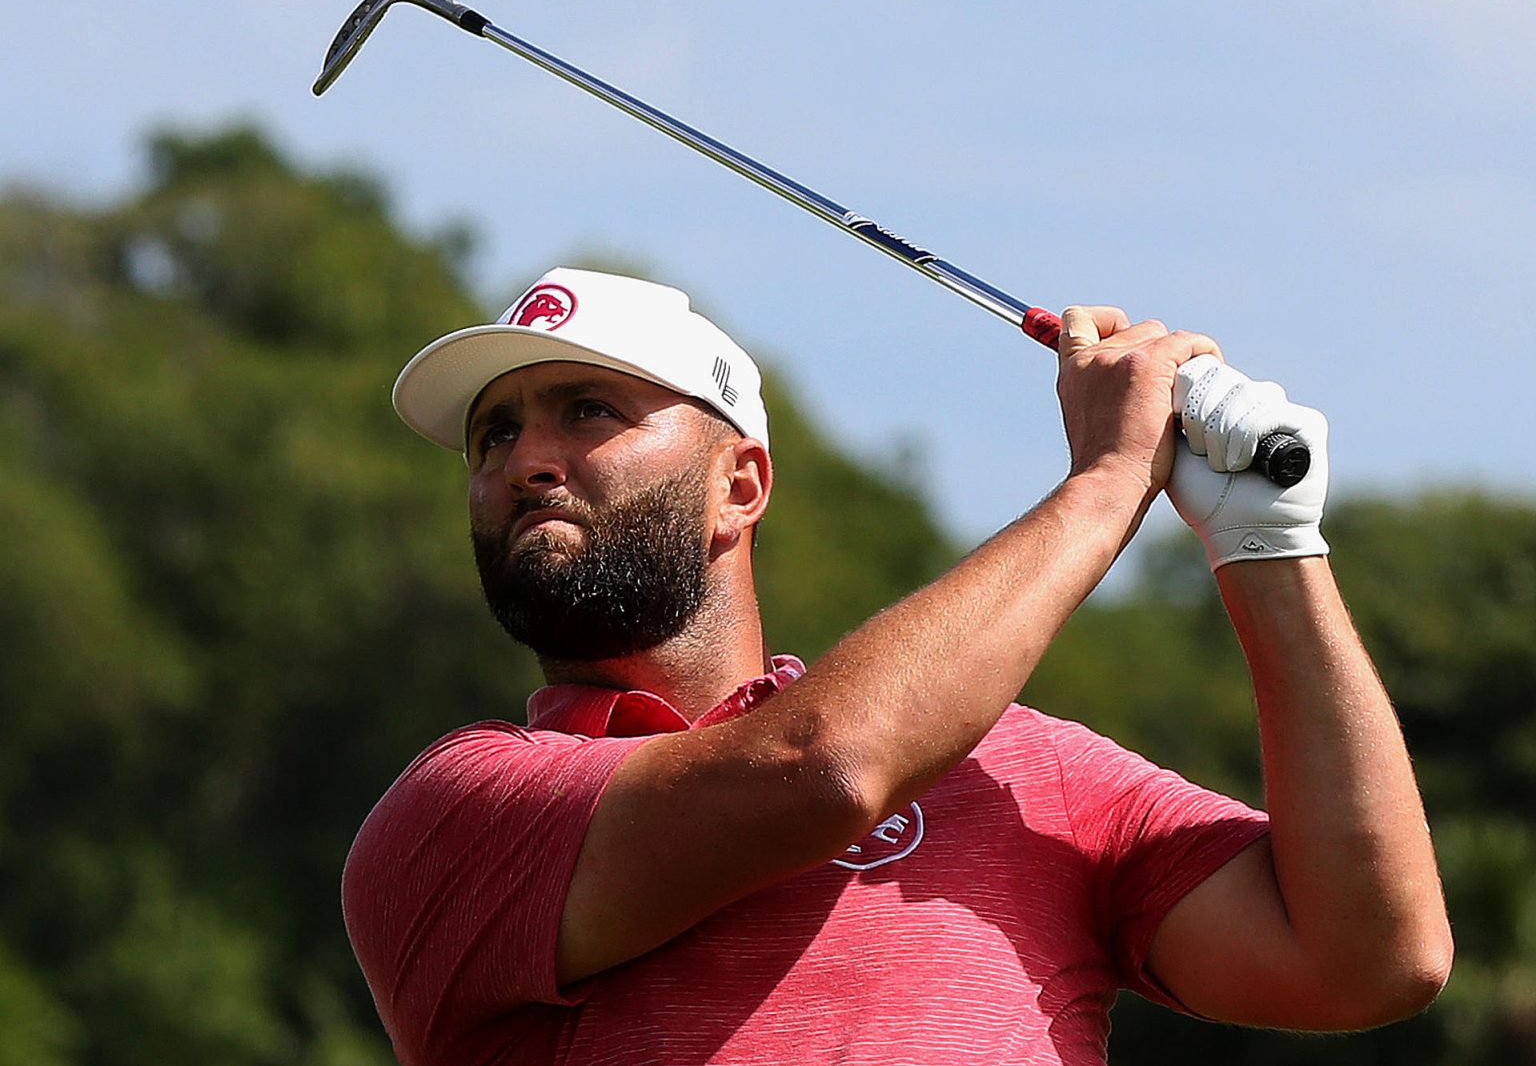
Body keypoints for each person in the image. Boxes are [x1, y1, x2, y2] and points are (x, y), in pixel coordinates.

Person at [343, 266, 1452, 1066]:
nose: (527, 461)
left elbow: (1368, 958)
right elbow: (824, 768)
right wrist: (1110, 482)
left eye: (587, 411)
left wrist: (1268, 546)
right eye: (492, 436)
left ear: (741, 484)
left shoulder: (1022, 768)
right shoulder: (456, 814)